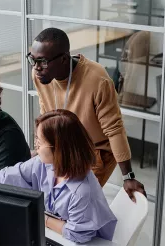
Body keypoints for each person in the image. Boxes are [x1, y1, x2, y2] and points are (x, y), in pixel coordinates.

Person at [0, 110, 117, 243]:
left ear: (60, 149)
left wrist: (40, 218)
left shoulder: (83, 191)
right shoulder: (42, 165)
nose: (36, 147)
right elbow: (1, 177)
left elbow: (77, 234)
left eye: (39, 142)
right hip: (55, 234)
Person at [27, 27, 146, 201]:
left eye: (43, 62)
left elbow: (114, 129)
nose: (36, 68)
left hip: (95, 150)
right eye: (32, 59)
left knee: (74, 199)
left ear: (63, 59)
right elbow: (47, 113)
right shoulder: (39, 76)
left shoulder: (97, 80)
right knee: (44, 193)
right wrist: (41, 149)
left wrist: (128, 177)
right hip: (63, 145)